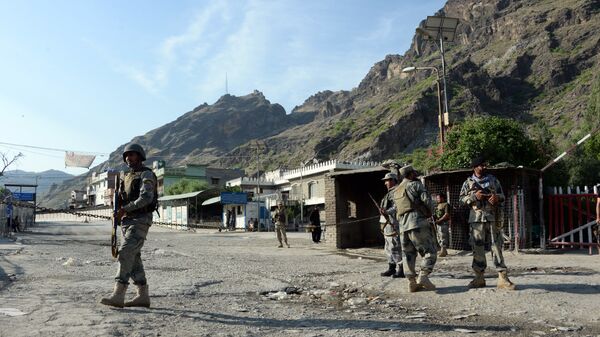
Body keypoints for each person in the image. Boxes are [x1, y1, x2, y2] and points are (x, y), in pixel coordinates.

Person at [101, 143, 158, 308]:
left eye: (132, 155)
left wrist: (124, 209)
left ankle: (118, 294)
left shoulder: (146, 174)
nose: (128, 158)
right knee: (134, 258)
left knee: (125, 253)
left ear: (140, 156)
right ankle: (142, 296)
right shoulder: (125, 176)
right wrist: (118, 213)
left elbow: (146, 198)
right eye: (126, 156)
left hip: (140, 220)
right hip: (127, 222)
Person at [459, 156, 516, 290]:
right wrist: (474, 197)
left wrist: (496, 197)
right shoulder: (468, 182)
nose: (485, 167)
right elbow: (461, 200)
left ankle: (502, 277)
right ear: (475, 167)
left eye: (485, 165)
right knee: (477, 248)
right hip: (476, 220)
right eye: (482, 165)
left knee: (497, 246)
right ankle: (479, 278)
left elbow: (503, 196)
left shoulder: (493, 180)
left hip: (492, 217)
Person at [393, 165, 436, 292]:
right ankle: (423, 276)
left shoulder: (396, 190)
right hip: (417, 222)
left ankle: (411, 282)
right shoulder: (415, 185)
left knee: (408, 254)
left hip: (403, 225)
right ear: (411, 174)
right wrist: (431, 212)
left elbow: (396, 210)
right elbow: (427, 201)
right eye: (414, 173)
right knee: (430, 251)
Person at [379, 172, 404, 278]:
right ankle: (391, 267)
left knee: (395, 247)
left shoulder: (397, 192)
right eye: (385, 181)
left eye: (387, 180)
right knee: (388, 247)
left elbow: (397, 207)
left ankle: (401, 269)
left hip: (393, 223)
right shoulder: (389, 193)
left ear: (393, 180)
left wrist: (387, 212)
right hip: (386, 224)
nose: (385, 183)